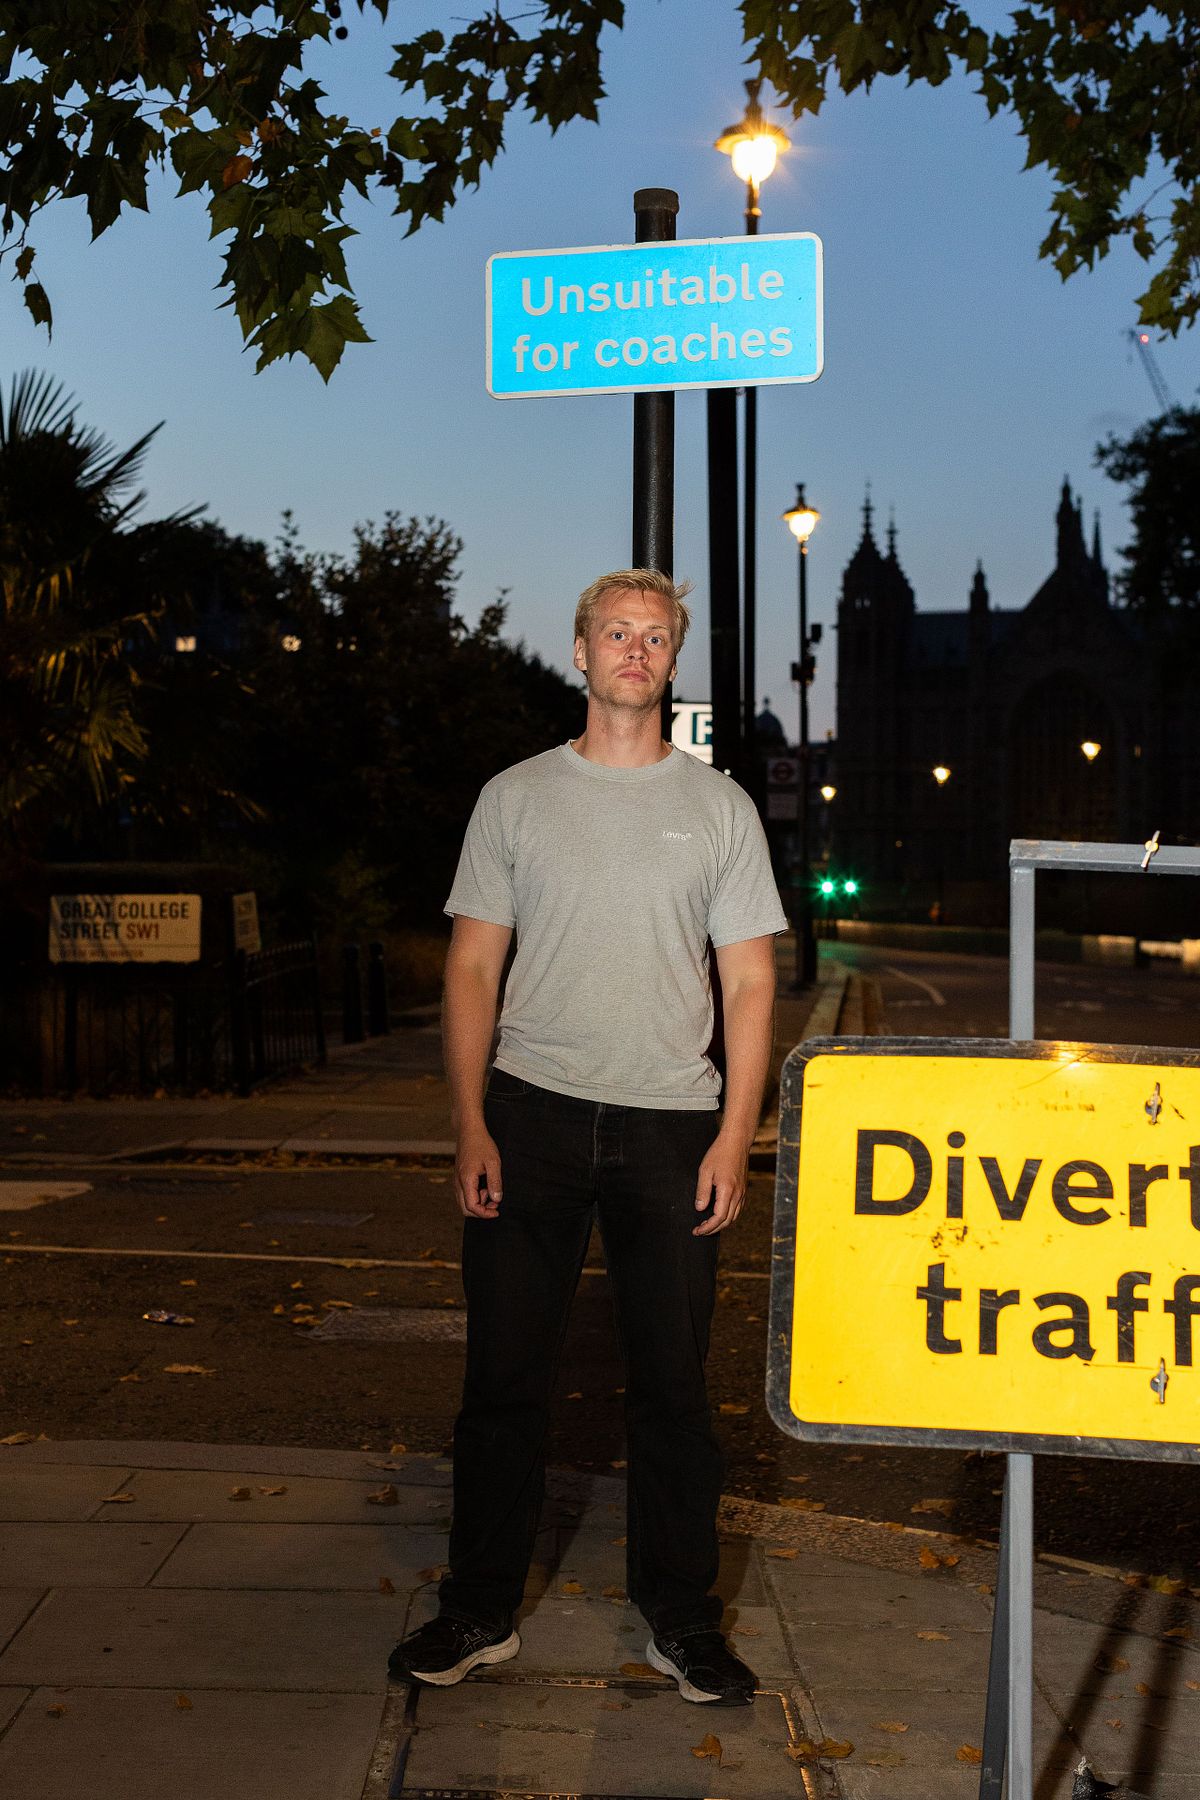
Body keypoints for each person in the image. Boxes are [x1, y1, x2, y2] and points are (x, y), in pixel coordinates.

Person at [388, 568, 787, 1705]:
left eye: (654, 637)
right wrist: (468, 1119)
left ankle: (680, 1619)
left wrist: (734, 1137)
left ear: (671, 661)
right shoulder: (515, 797)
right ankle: (476, 1608)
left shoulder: (718, 809)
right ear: (578, 651)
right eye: (615, 632)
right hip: (533, 1110)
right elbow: (472, 964)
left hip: (672, 1125)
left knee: (671, 1386)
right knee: (505, 1378)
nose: (633, 649)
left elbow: (749, 984)